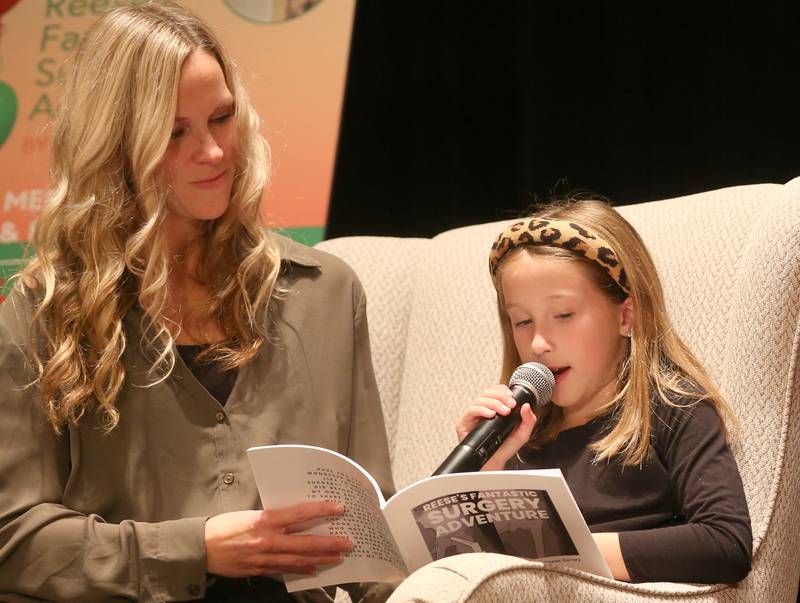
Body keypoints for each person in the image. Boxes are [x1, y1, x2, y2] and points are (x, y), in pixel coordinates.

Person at [0, 2, 393, 601]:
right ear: (114, 145)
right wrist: (198, 548)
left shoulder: (326, 292)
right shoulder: (43, 313)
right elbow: (14, 540)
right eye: (175, 131)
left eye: (222, 118)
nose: (213, 153)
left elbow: (371, 549)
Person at [456, 198, 752, 584]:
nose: (539, 343)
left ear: (625, 315)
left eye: (564, 315)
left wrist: (561, 552)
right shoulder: (519, 435)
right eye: (523, 321)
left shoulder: (672, 409)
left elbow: (725, 544)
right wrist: (484, 472)